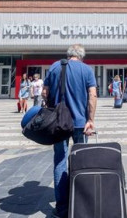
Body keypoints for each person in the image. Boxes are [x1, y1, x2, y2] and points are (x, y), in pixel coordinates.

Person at [42, 44, 97, 218]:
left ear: (68, 54)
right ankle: (81, 205)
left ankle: (62, 209)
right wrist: (90, 120)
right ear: (81, 56)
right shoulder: (86, 70)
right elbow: (92, 95)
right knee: (81, 160)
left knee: (60, 160)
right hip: (80, 123)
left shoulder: (55, 66)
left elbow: (44, 93)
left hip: (58, 122)